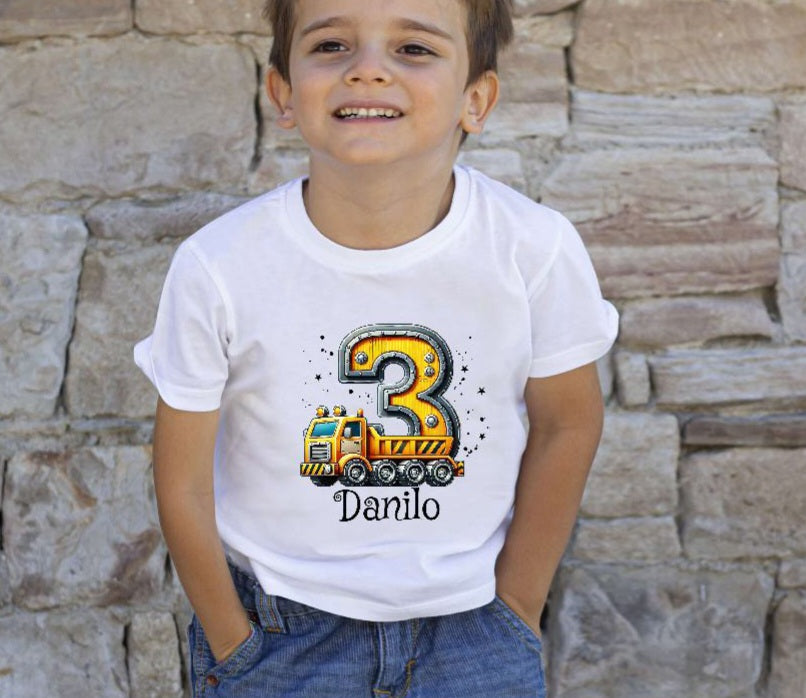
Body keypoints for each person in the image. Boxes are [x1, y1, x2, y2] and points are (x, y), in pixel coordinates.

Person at [134, 0, 619, 695]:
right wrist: (231, 637)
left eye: (413, 49)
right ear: (283, 93)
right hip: (280, 637)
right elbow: (181, 476)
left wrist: (517, 605)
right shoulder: (220, 265)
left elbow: (568, 423)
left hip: (473, 632)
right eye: (331, 46)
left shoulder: (533, 250)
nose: (368, 70)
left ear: (476, 100)